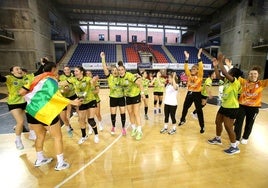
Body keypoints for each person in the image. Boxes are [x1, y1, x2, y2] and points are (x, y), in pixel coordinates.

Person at [20, 61, 81, 170]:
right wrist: (72, 102)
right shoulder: (51, 80)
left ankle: (40, 159)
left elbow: (21, 92)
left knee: (40, 136)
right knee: (57, 137)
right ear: (54, 69)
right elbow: (55, 97)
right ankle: (60, 163)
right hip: (45, 112)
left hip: (32, 111)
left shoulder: (35, 78)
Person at [0, 59, 46, 149]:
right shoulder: (10, 78)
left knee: (32, 118)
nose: (19, 70)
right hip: (14, 103)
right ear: (12, 72)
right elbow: (1, 79)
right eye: (17, 69)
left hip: (25, 101)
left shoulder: (27, 77)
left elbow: (38, 73)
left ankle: (32, 133)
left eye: (20, 69)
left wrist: (43, 64)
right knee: (20, 122)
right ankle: (18, 139)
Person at [208, 53, 243, 155]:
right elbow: (219, 75)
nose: (228, 72)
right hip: (224, 106)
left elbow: (223, 72)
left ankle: (234, 147)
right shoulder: (227, 81)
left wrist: (220, 61)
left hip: (232, 108)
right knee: (218, 122)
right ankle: (218, 139)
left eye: (229, 71)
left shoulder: (235, 81)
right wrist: (215, 66)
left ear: (233, 74)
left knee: (228, 126)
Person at [59, 66, 99, 144]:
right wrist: (52, 83)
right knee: (81, 120)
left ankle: (96, 134)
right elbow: (63, 83)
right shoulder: (73, 79)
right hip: (81, 102)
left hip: (91, 101)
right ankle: (84, 136)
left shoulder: (87, 79)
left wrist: (94, 81)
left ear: (81, 72)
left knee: (91, 120)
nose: (75, 72)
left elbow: (92, 82)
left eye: (76, 71)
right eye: (74, 71)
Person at [234, 66, 268, 144]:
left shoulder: (261, 83)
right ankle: (236, 138)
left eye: (255, 73)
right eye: (251, 73)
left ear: (258, 74)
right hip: (242, 106)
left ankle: (245, 137)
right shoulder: (243, 81)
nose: (253, 75)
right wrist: (229, 66)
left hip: (254, 108)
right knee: (238, 122)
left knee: (249, 123)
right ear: (249, 74)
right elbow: (234, 75)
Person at [178, 48, 205, 133]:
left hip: (197, 94)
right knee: (185, 107)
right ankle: (182, 120)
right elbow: (186, 68)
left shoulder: (200, 75)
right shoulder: (189, 75)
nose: (192, 70)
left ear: (197, 70)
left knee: (199, 110)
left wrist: (198, 56)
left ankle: (202, 126)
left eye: (194, 69)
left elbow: (201, 67)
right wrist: (186, 58)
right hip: (189, 93)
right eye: (192, 69)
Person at [117, 61, 145, 140]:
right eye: (119, 70)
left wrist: (142, 93)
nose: (120, 71)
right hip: (128, 97)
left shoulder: (129, 75)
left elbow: (139, 83)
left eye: (122, 69)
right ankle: (134, 128)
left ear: (125, 70)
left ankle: (139, 131)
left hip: (135, 95)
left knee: (136, 113)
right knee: (130, 113)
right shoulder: (119, 78)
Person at [100, 52, 126, 135]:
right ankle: (113, 126)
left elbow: (124, 70)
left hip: (121, 98)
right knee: (113, 114)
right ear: (111, 72)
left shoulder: (121, 76)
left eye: (116, 70)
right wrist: (103, 58)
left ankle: (123, 128)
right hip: (113, 98)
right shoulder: (109, 77)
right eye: (113, 70)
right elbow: (104, 68)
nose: (115, 71)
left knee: (122, 113)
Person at [58, 65, 76, 137]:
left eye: (68, 69)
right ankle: (68, 128)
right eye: (65, 70)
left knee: (73, 111)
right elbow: (63, 90)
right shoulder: (60, 79)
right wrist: (64, 90)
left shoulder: (73, 76)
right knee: (64, 116)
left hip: (72, 95)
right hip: (62, 99)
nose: (67, 71)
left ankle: (79, 120)